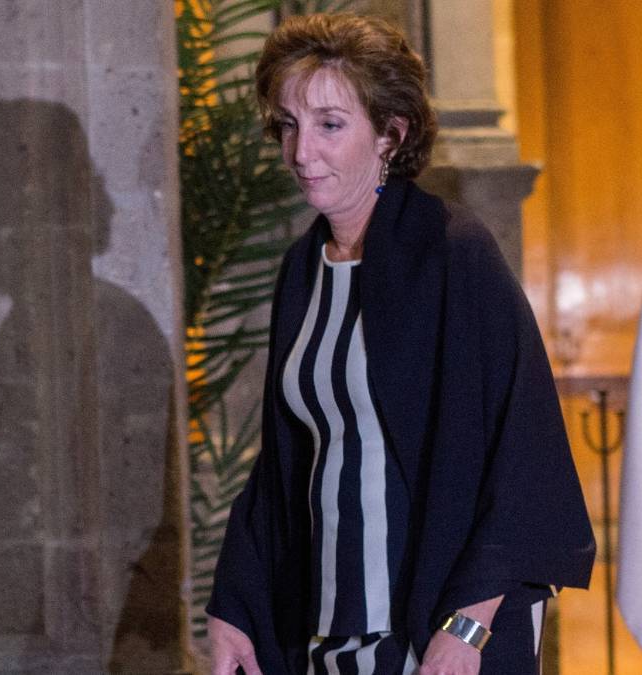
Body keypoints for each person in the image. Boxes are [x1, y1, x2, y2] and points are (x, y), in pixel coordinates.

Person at [205, 14, 595, 675]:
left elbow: (521, 449)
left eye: (330, 124)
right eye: (289, 124)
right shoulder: (304, 269)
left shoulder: (452, 251)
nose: (301, 151)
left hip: (440, 629)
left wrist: (468, 626)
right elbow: (287, 461)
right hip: (327, 625)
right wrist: (235, 605)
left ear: (392, 133)